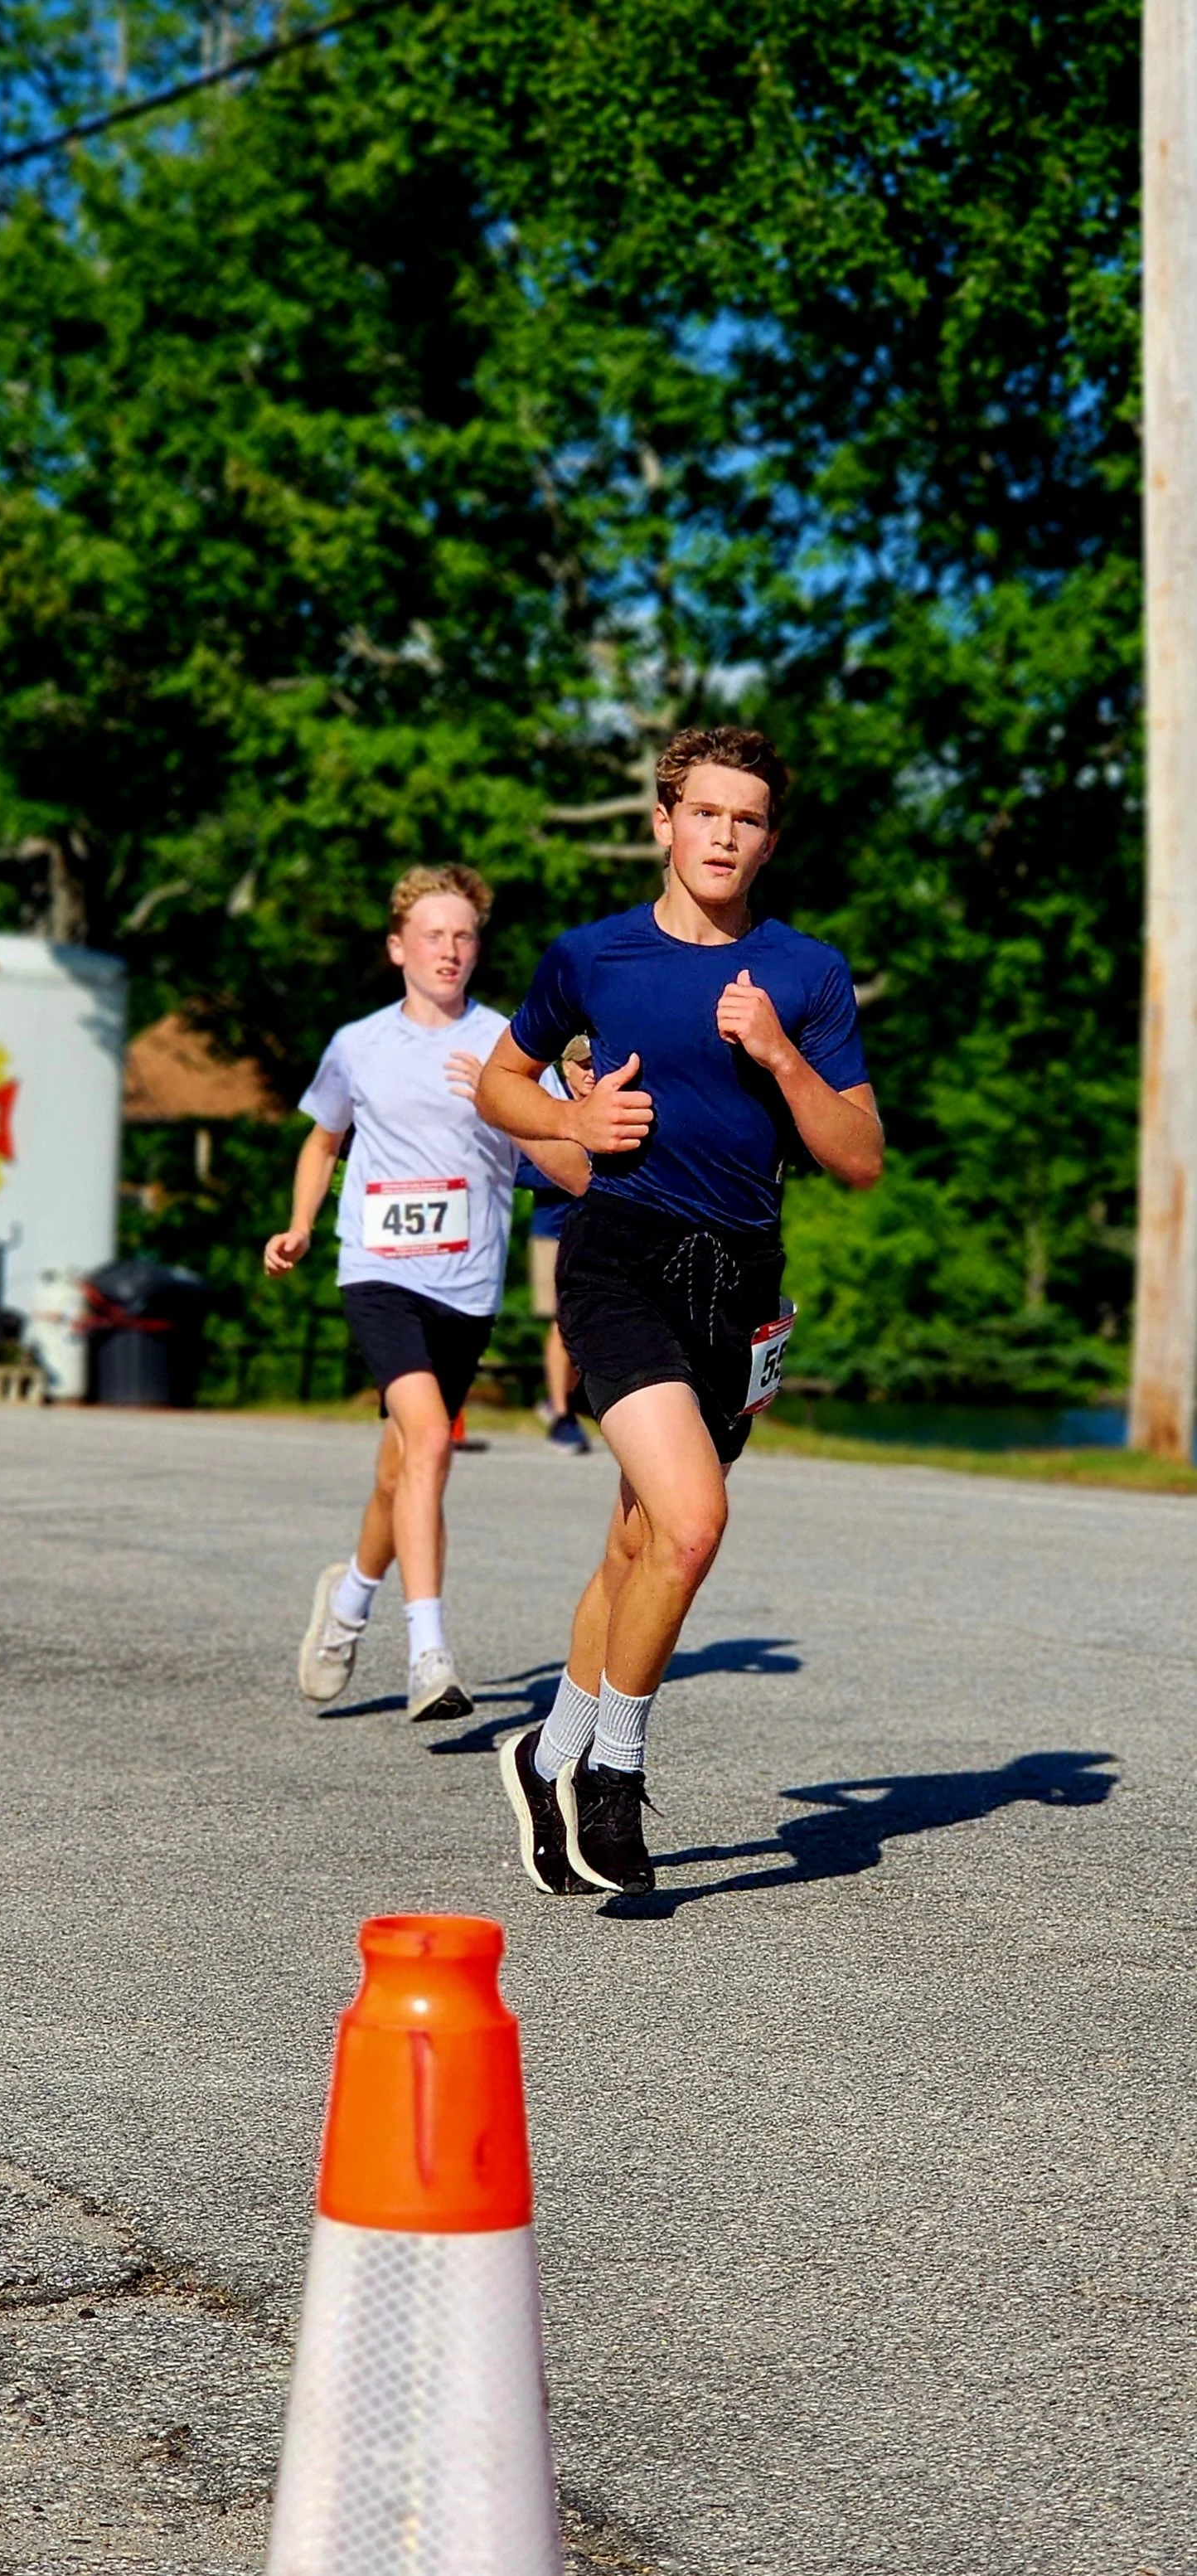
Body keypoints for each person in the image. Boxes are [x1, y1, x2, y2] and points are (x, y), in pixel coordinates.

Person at [476, 725, 884, 1895]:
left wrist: (777, 1055)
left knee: (638, 1538)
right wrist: (568, 1123)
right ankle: (612, 1770)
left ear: (766, 839)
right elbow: (506, 1078)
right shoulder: (590, 958)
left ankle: (540, 1751)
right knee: (692, 1522)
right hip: (619, 1255)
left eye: (745, 818)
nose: (722, 833)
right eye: (703, 811)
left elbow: (856, 1156)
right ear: (662, 822)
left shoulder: (802, 973)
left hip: (739, 1279)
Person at [263, 863, 586, 1724]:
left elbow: (565, 1166)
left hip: (467, 1282)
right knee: (431, 1446)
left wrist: (506, 1114)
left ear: (477, 949)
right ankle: (428, 1650)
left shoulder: (508, 1046)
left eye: (464, 935)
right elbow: (321, 1140)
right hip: (376, 1267)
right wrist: (299, 1224)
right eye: (433, 935)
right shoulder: (357, 1044)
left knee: (399, 1467)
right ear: (398, 947)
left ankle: (347, 1603)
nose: (449, 949)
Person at [519, 1035, 596, 1453]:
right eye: (582, 1065)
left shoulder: (609, 1103)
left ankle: (558, 1401)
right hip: (552, 1228)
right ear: (565, 1067)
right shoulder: (544, 1105)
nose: (591, 1072)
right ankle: (562, 1414)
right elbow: (518, 1170)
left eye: (595, 1063)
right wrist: (568, 1173)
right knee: (562, 1321)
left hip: (598, 1229)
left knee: (584, 1325)